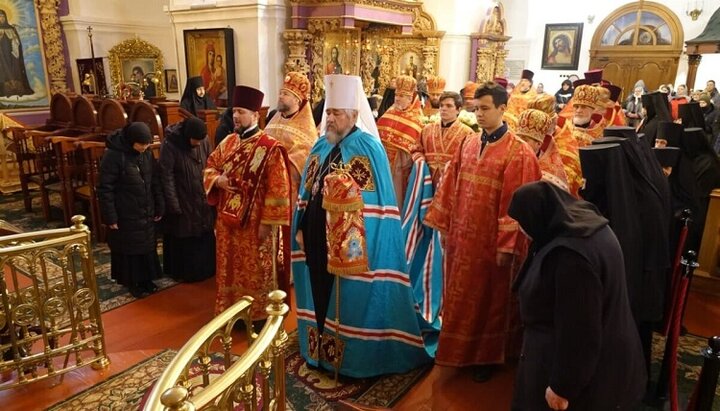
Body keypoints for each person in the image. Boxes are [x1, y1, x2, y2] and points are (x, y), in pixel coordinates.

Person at [292, 74, 434, 377]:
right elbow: (307, 193)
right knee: (317, 290)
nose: (329, 119)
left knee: (345, 299)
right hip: (317, 237)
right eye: (328, 113)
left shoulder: (368, 147)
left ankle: (348, 358)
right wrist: (301, 227)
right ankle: (319, 349)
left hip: (350, 247)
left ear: (354, 115)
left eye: (336, 114)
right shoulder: (319, 146)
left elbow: (374, 205)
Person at [424, 81, 541, 382]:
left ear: (503, 109)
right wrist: (445, 225)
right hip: (462, 240)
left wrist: (506, 245)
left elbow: (516, 204)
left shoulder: (519, 152)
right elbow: (451, 185)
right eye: (476, 109)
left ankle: (486, 357)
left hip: (492, 243)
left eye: (486, 109)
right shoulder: (469, 142)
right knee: (460, 297)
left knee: (490, 300)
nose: (479, 115)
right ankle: (458, 351)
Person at [508, 181, 647, 411]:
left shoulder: (571, 258)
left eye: (522, 223)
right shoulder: (586, 224)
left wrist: (562, 387)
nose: (522, 229)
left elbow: (580, 333)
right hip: (611, 354)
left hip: (586, 377)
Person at [203, 85, 292, 325]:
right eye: (233, 111)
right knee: (228, 265)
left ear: (255, 115)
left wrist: (267, 223)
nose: (235, 116)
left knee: (256, 270)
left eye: (241, 111)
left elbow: (279, 189)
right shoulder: (229, 142)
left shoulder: (270, 147)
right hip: (227, 221)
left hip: (254, 223)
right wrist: (218, 180)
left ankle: (258, 314)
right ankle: (232, 312)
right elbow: (210, 167)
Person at [98, 122, 164, 298]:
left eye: (147, 144)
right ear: (131, 141)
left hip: (146, 208)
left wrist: (159, 205)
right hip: (125, 210)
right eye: (141, 144)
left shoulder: (147, 154)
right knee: (130, 248)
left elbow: (155, 181)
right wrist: (110, 217)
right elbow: (105, 189)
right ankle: (133, 282)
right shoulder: (113, 156)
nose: (144, 148)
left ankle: (147, 279)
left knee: (147, 245)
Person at [160, 117, 216, 283]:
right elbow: (166, 176)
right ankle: (187, 273)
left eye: (201, 140)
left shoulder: (204, 140)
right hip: (182, 196)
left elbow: (211, 163)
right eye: (195, 140)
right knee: (186, 234)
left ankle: (207, 269)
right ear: (186, 135)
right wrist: (174, 204)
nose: (198, 143)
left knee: (204, 232)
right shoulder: (170, 145)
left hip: (201, 194)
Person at [264, 71, 318, 205]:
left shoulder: (306, 130)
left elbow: (302, 160)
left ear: (297, 100)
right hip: (264, 186)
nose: (280, 96)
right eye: (280, 93)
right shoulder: (273, 121)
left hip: (289, 193)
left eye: (286, 94)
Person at [377, 74, 424, 206]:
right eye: (396, 95)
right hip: (383, 164)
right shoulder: (389, 113)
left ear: (411, 98)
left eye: (401, 96)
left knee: (397, 200)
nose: (397, 99)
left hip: (401, 169)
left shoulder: (417, 119)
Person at [553, 84, 605, 196]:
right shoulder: (562, 128)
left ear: (593, 109)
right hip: (560, 182)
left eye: (583, 107)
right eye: (576, 107)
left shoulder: (600, 133)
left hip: (587, 185)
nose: (578, 110)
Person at [420, 91, 474, 187]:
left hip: (451, 182)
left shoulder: (467, 133)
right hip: (427, 181)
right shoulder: (427, 129)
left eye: (449, 106)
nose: (443, 109)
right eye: (441, 105)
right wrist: (420, 162)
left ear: (458, 110)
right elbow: (416, 149)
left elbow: (470, 162)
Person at [515, 109, 569, 191]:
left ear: (539, 144)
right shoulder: (508, 159)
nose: (520, 142)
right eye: (518, 138)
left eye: (525, 139)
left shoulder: (551, 174)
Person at [0, 9, 33, 98]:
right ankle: (5, 90)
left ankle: (17, 89)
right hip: (1, 56)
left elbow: (17, 42)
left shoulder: (12, 28)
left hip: (13, 54)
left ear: (6, 17)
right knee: (3, 70)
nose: (1, 18)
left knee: (15, 69)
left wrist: (15, 42)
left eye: (3, 16)